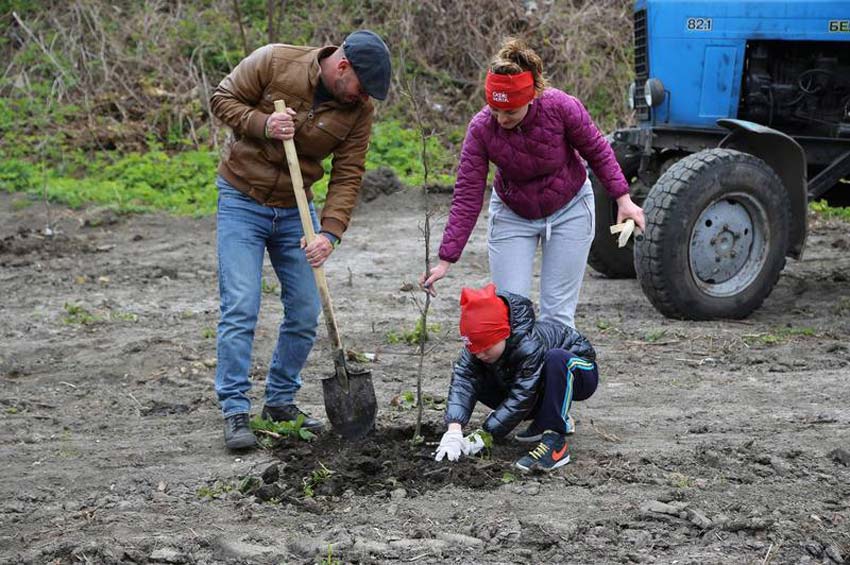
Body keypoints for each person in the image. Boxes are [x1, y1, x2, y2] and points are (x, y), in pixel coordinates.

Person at [209, 30, 391, 450]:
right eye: (362, 87)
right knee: (241, 304)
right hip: (242, 199)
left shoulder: (358, 109)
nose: (363, 98)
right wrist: (264, 124)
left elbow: (348, 174)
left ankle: (279, 401)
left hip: (296, 208)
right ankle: (235, 409)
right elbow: (222, 98)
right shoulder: (275, 61)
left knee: (307, 308)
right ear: (342, 67)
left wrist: (330, 233)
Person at [421, 38, 644, 329]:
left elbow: (598, 150)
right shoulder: (480, 129)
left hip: (570, 208)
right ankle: (521, 375)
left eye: (510, 111)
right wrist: (445, 260)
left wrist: (623, 199)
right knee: (512, 315)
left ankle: (557, 373)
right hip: (513, 213)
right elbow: (467, 194)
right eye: (494, 109)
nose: (501, 118)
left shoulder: (561, 107)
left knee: (557, 317)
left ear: (531, 97)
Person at [434, 283, 598, 472]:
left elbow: (522, 396)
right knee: (474, 375)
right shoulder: (478, 350)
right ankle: (542, 421)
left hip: (578, 370)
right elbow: (463, 384)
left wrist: (485, 434)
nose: (480, 354)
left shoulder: (528, 345)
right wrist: (454, 430)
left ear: (504, 334)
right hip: (538, 383)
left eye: (486, 348)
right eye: (474, 349)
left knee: (556, 359)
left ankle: (555, 442)